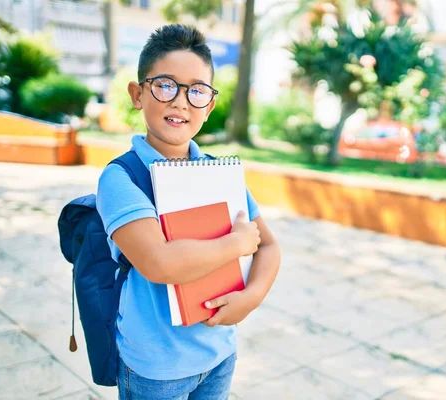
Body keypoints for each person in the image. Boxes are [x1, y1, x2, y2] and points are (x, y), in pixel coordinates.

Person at [96, 24, 281, 399]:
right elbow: (161, 264)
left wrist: (252, 297)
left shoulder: (219, 171)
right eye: (165, 85)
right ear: (137, 94)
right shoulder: (121, 178)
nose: (181, 101)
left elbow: (269, 247)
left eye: (196, 90)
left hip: (219, 352)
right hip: (156, 367)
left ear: (209, 105)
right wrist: (237, 242)